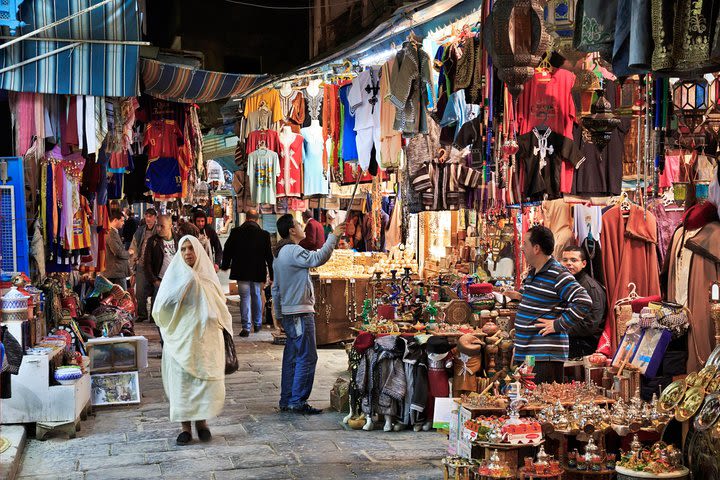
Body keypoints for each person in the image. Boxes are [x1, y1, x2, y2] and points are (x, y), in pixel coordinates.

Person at [152, 235, 233, 446]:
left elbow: (220, 306)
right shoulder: (174, 277)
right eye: (184, 249)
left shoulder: (208, 278)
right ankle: (185, 428)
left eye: (191, 248)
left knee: (202, 384)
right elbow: (161, 307)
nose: (188, 252)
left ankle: (202, 423)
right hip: (181, 342)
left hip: (205, 342)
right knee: (182, 385)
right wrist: (182, 290)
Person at [272, 214, 345, 414]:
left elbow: (276, 288)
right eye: (297, 224)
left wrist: (278, 314)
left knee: (293, 357)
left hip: (290, 312)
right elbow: (317, 258)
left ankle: (287, 399)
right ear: (291, 230)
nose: (302, 226)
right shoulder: (293, 251)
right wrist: (333, 237)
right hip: (300, 312)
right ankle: (297, 401)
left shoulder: (279, 254)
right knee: (307, 357)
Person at [503, 226, 592, 384]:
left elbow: (583, 301)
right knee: (531, 400)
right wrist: (520, 297)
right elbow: (543, 302)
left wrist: (558, 324)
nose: (522, 247)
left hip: (546, 356)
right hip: (530, 353)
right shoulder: (534, 272)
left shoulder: (558, 274)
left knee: (542, 403)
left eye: (525, 244)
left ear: (536, 248)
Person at [220, 209, 274, 337]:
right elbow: (269, 257)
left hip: (241, 270)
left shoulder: (236, 232)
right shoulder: (264, 234)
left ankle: (246, 327)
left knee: (244, 297)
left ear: (246, 218)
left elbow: (227, 250)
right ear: (257, 219)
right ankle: (258, 323)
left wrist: (225, 265)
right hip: (257, 271)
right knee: (256, 294)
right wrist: (272, 275)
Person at [561, 246, 607, 359]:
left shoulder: (590, 288)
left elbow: (589, 325)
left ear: (584, 264)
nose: (568, 263)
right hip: (570, 339)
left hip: (584, 345)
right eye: (565, 260)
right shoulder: (569, 283)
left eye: (574, 260)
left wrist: (559, 329)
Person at [144, 215, 178, 323]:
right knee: (158, 304)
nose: (158, 229)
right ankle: (156, 322)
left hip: (176, 279)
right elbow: (147, 263)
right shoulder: (153, 241)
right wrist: (154, 280)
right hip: (160, 278)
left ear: (170, 226)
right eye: (157, 226)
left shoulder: (179, 239)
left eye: (162, 226)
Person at [129, 208, 158, 323]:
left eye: (151, 216)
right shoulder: (140, 231)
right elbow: (134, 245)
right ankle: (142, 314)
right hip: (141, 265)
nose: (148, 219)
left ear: (155, 217)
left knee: (156, 292)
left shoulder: (159, 230)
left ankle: (153, 316)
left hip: (155, 266)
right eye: (147, 216)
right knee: (140, 292)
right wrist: (134, 260)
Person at [103, 210, 131, 289]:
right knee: (122, 296)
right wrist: (129, 253)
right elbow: (118, 252)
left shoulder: (113, 232)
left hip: (115, 271)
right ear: (115, 220)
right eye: (122, 221)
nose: (123, 223)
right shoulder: (110, 233)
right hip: (115, 272)